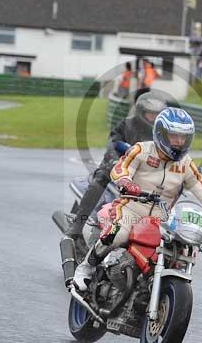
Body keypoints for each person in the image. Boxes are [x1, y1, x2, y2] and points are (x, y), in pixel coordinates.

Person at [73, 107, 202, 291]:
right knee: (117, 234)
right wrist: (126, 182)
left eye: (183, 137)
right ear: (161, 133)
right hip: (130, 208)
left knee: (179, 249)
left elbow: (200, 186)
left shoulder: (185, 163)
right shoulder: (142, 150)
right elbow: (121, 168)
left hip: (161, 219)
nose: (180, 142)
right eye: (174, 136)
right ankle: (86, 267)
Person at [64, 92, 168, 246]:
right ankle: (77, 226)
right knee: (100, 180)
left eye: (156, 114)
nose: (152, 117)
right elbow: (112, 143)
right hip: (118, 169)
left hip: (145, 175)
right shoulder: (126, 125)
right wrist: (114, 160)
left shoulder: (162, 134)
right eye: (149, 113)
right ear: (141, 111)